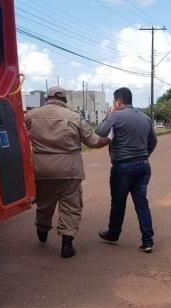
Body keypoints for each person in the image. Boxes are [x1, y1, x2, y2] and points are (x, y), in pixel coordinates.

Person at [25, 87, 110, 259]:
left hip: (41, 169)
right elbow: (93, 142)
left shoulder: (30, 116)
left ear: (47, 98)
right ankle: (66, 246)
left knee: (44, 203)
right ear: (64, 100)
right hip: (69, 170)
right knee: (71, 207)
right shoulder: (74, 117)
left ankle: (42, 234)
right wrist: (109, 138)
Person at [95, 87, 157, 253]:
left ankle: (113, 234)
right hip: (143, 165)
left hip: (122, 167)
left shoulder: (115, 116)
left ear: (118, 101)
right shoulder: (145, 118)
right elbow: (153, 141)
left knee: (118, 202)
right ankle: (147, 240)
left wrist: (109, 116)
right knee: (141, 203)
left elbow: (99, 132)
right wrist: (144, 155)